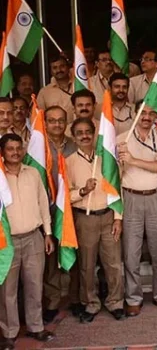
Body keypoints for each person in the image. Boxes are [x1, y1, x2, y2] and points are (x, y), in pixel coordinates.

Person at [118, 103, 157, 316]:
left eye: (152, 113)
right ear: (135, 113)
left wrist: (133, 161)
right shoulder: (121, 139)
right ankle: (133, 298)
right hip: (131, 198)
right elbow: (115, 172)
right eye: (143, 112)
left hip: (156, 197)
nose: (147, 117)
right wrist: (127, 162)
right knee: (131, 252)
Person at [66, 119, 124, 323]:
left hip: (108, 216)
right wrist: (83, 191)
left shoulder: (106, 159)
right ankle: (90, 303)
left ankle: (115, 302)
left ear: (94, 134)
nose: (84, 136)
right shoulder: (69, 162)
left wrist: (118, 218)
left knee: (114, 264)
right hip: (85, 219)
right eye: (79, 133)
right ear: (74, 137)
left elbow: (117, 188)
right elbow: (65, 195)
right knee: (87, 265)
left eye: (88, 132)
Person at [0, 134, 55, 346]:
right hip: (7, 242)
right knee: (8, 291)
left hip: (34, 237)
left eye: (18, 148)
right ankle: (9, 333)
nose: (15, 152)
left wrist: (47, 233)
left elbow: (43, 203)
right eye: (10, 149)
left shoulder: (33, 173)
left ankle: (36, 327)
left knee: (34, 285)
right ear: (3, 152)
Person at [43, 106, 80, 324]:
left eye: (60, 120)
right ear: (45, 123)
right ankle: (52, 302)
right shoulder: (36, 148)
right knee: (50, 259)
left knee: (74, 253)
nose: (57, 124)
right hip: (47, 210)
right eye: (52, 121)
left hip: (70, 208)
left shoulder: (74, 146)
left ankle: (75, 298)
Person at [37, 55, 74, 122]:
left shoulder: (80, 85)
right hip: (56, 130)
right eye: (55, 68)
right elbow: (40, 117)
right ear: (51, 71)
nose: (59, 70)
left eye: (62, 66)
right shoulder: (44, 92)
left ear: (68, 68)